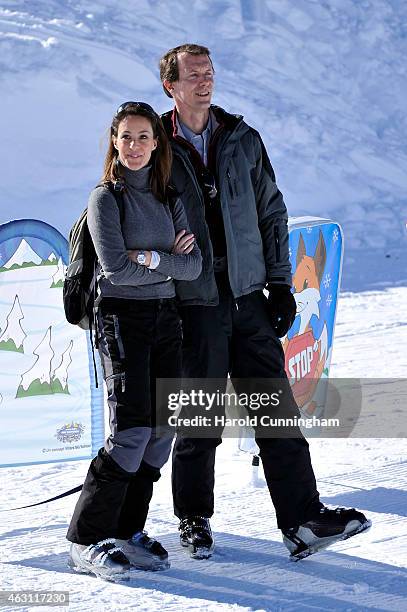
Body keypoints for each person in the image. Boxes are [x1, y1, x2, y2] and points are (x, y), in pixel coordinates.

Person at [158, 44, 371, 561]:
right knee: (199, 420)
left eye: (210, 73)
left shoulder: (242, 138)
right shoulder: (153, 142)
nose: (205, 83)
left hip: (249, 298)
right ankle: (194, 521)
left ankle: (302, 521)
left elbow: (272, 212)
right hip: (195, 302)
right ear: (170, 84)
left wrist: (278, 282)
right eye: (193, 76)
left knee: (276, 411)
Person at [66, 101, 202, 579]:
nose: (136, 146)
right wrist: (162, 259)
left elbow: (194, 266)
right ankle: (85, 539)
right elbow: (115, 268)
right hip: (120, 318)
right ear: (114, 142)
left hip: (166, 317)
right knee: (130, 431)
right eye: (127, 137)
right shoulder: (106, 197)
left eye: (144, 136)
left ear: (156, 142)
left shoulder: (169, 197)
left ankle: (127, 530)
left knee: (162, 432)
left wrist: (149, 257)